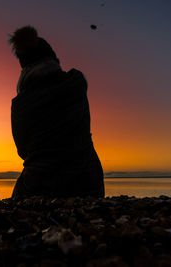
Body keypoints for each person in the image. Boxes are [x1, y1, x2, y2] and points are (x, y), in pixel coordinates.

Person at [9, 25, 105, 199]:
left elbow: (23, 151)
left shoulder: (20, 103)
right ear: (53, 58)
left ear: (24, 65)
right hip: (90, 185)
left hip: (40, 187)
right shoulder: (77, 82)